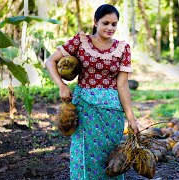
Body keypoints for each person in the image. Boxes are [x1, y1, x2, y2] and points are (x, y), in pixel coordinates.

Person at [45, 4, 139, 179]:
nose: (110, 28)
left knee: (111, 159)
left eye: (114, 24)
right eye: (106, 23)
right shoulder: (81, 42)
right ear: (95, 22)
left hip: (112, 113)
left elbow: (123, 85)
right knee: (84, 155)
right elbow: (50, 61)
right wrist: (62, 85)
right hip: (85, 110)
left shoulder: (123, 48)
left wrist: (131, 118)